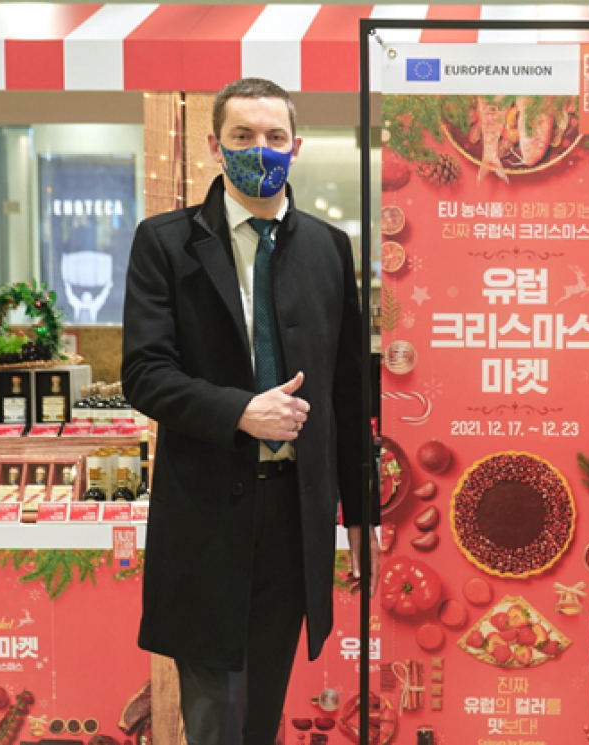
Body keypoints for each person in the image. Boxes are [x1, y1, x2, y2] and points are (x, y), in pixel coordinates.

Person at [122, 77, 378, 745]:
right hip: (204, 513)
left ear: (296, 146)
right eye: (242, 136)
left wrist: (361, 515)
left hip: (295, 517)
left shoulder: (328, 248)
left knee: (259, 711)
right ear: (215, 145)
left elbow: (348, 393)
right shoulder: (165, 242)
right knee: (215, 717)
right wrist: (240, 411)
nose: (259, 148)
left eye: (273, 136)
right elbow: (144, 374)